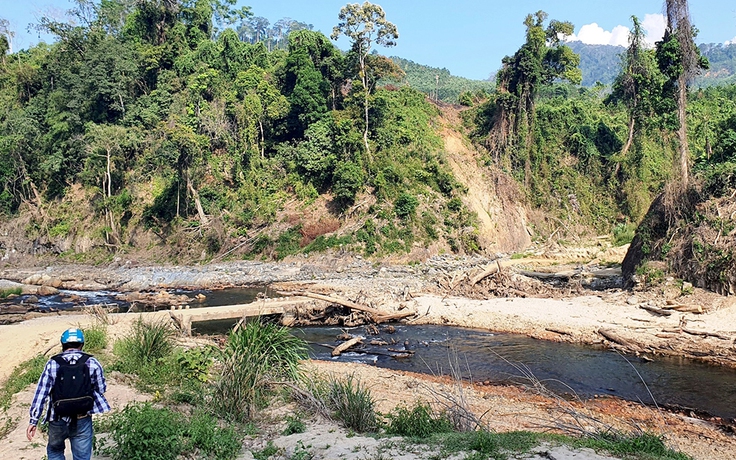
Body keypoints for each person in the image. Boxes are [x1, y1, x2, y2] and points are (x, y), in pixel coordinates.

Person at [27, 328, 110, 460]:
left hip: (57, 417)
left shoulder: (52, 363)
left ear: (62, 345)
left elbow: (41, 393)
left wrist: (33, 420)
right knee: (82, 456)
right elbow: (101, 388)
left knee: (55, 451)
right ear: (82, 344)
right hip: (82, 416)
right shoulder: (92, 362)